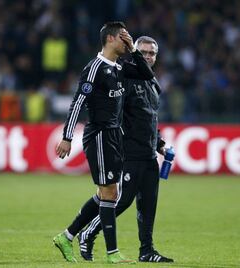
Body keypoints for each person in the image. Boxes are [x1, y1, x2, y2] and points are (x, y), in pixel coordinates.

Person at [53, 21, 154, 264]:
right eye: (124, 38)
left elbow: (147, 75)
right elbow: (77, 102)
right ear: (110, 39)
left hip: (113, 134)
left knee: (106, 192)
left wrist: (134, 51)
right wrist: (67, 137)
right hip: (98, 134)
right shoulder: (94, 69)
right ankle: (112, 253)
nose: (127, 41)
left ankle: (67, 236)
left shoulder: (120, 67)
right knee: (110, 192)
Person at [78, 36, 174, 263]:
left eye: (152, 53)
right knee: (121, 200)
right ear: (133, 52)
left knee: (148, 204)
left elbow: (150, 119)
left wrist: (159, 143)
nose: (148, 56)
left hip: (149, 153)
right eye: (143, 52)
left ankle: (147, 250)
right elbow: (116, 116)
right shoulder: (126, 78)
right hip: (129, 152)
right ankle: (88, 233)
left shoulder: (151, 81)